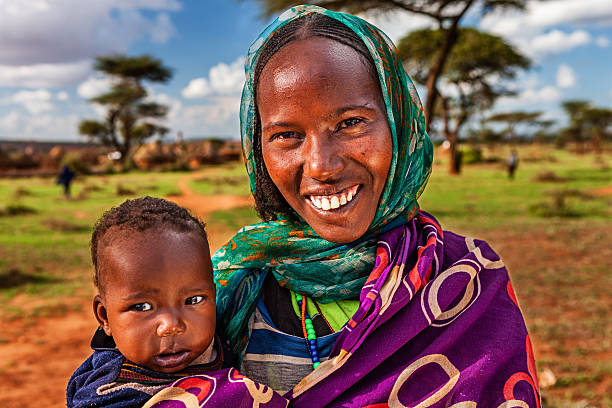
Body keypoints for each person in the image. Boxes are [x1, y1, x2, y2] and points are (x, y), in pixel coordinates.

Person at [148, 5, 540, 407]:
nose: (322, 165)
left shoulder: (467, 279)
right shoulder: (224, 292)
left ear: (398, 124)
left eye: (351, 122)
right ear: (257, 146)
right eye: (286, 135)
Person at [66, 197, 288, 408]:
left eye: (193, 300)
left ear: (214, 295)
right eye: (142, 307)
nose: (171, 325)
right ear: (104, 316)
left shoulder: (226, 339)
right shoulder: (109, 392)